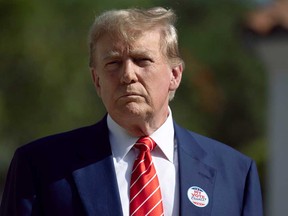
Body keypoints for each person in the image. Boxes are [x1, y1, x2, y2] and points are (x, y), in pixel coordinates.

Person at [0, 7, 263, 216]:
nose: (127, 75)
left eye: (142, 60)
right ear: (97, 80)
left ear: (174, 75)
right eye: (113, 62)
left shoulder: (234, 173)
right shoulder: (40, 166)